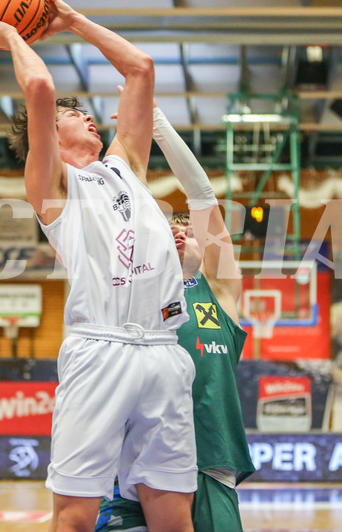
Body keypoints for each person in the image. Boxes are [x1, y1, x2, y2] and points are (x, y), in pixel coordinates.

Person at [0, 0, 197, 532]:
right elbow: (41, 86)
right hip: (100, 351)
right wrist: (10, 36)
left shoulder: (126, 168)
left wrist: (71, 20)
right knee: (73, 517)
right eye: (76, 114)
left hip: (164, 351)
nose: (91, 118)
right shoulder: (51, 184)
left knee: (173, 517)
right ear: (48, 133)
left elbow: (140, 68)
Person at [96, 105, 255, 531]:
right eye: (170, 230)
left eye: (189, 229)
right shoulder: (134, 294)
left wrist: (159, 128)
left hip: (209, 460)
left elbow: (203, 197)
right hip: (135, 466)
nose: (181, 231)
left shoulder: (219, 292)